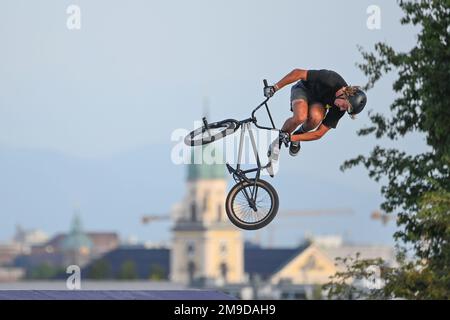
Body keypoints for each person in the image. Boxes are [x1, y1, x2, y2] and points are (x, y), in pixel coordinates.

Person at [264, 69, 367, 159]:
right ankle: (277, 142)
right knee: (300, 117)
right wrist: (274, 88)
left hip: (319, 103)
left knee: (316, 118)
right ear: (346, 95)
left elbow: (319, 133)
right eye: (344, 106)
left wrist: (293, 138)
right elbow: (298, 72)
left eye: (344, 109)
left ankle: (298, 134)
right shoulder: (331, 79)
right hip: (304, 89)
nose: (341, 108)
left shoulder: (339, 110)